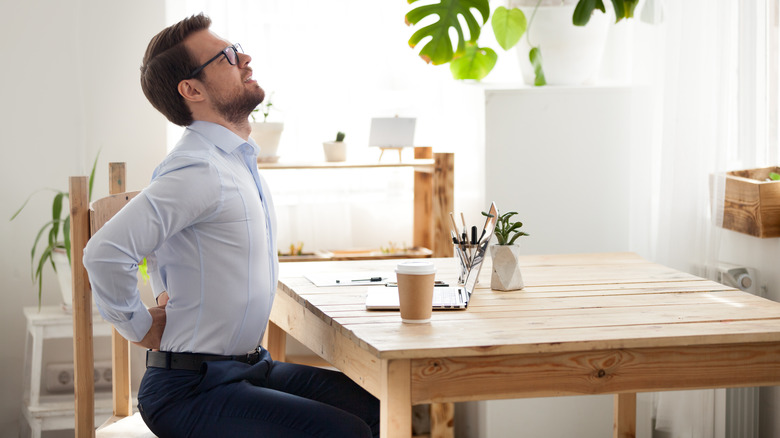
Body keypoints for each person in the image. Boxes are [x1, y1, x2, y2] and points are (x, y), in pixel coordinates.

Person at [83, 13, 379, 438]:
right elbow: (105, 252)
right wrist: (140, 327)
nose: (244, 58)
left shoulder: (231, 160)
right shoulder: (198, 169)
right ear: (192, 90)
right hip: (189, 391)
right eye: (226, 57)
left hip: (246, 368)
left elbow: (180, 251)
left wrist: (167, 285)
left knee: (376, 408)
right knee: (344, 432)